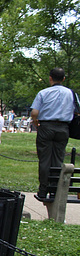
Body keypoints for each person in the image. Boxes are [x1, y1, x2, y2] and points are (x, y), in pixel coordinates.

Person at [31, 68, 76, 200]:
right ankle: (55, 189)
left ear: (50, 78)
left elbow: (34, 113)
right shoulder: (71, 93)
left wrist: (36, 123)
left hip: (46, 126)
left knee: (45, 160)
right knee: (58, 159)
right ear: (63, 79)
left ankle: (43, 190)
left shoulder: (43, 93)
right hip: (63, 128)